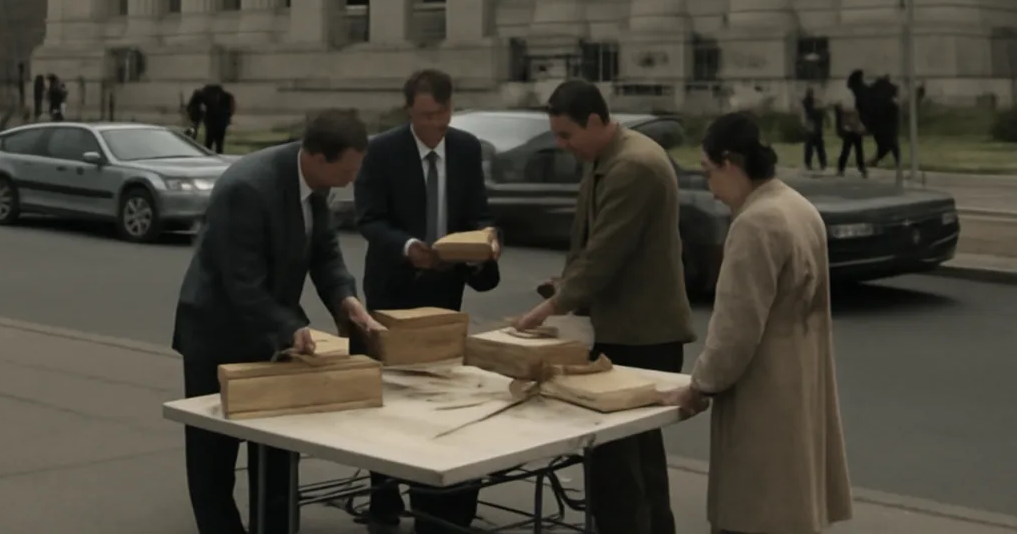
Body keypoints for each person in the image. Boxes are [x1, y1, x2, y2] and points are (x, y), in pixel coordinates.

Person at [171, 109, 385, 534]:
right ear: (320, 159)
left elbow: (325, 252)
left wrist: (346, 300)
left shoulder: (317, 185)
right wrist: (290, 325)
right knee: (213, 459)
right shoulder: (247, 188)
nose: (352, 180)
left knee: (275, 452)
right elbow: (241, 281)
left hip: (270, 335)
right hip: (217, 334)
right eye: (348, 170)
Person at [513, 79, 695, 534]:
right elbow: (591, 246)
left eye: (567, 135)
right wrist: (563, 284)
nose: (561, 145)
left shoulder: (633, 165)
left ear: (596, 121)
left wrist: (553, 305)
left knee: (620, 459)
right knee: (633, 454)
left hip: (643, 334)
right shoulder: (607, 157)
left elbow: (606, 252)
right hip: (627, 328)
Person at [668, 112, 853, 534]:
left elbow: (735, 328)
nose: (710, 189)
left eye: (708, 172)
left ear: (730, 163)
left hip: (763, 398)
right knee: (793, 507)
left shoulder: (755, 224)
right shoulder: (798, 207)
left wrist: (699, 385)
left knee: (755, 511)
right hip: (801, 384)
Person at [353, 68, 502, 534]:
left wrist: (482, 243)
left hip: (445, 290)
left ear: (451, 108)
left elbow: (478, 210)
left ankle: (435, 499)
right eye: (422, 116)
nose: (431, 124)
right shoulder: (382, 151)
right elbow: (369, 219)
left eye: (439, 114)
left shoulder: (464, 148)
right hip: (393, 290)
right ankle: (383, 500)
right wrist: (407, 247)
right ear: (408, 111)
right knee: (389, 395)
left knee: (435, 394)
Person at [188, 83, 236, 152]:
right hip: (218, 120)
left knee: (211, 141)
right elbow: (231, 109)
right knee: (217, 141)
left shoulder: (203, 95)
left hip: (213, 120)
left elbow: (192, 107)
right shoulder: (226, 96)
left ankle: (209, 153)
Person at [833, 101, 867, 178]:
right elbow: (845, 122)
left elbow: (857, 121)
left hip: (856, 132)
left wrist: (860, 127)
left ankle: (861, 168)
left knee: (858, 151)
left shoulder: (854, 111)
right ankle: (841, 169)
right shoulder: (846, 112)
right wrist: (847, 127)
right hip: (851, 132)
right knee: (847, 150)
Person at [801, 87, 827, 171]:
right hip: (814, 126)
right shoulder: (813, 103)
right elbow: (820, 114)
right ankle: (822, 163)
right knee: (817, 146)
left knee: (811, 146)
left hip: (812, 126)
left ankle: (810, 163)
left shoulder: (807, 102)